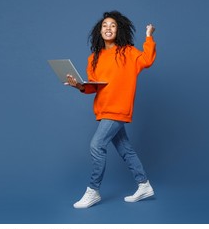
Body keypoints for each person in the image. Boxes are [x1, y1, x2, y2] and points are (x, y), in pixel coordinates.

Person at [66, 11, 156, 209]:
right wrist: (78, 85)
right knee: (125, 149)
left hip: (118, 108)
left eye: (112, 25)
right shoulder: (94, 58)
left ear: (119, 30)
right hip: (103, 109)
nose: (108, 28)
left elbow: (147, 60)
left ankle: (93, 190)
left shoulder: (128, 52)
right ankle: (144, 185)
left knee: (96, 145)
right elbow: (93, 87)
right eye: (105, 25)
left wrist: (148, 36)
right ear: (100, 31)